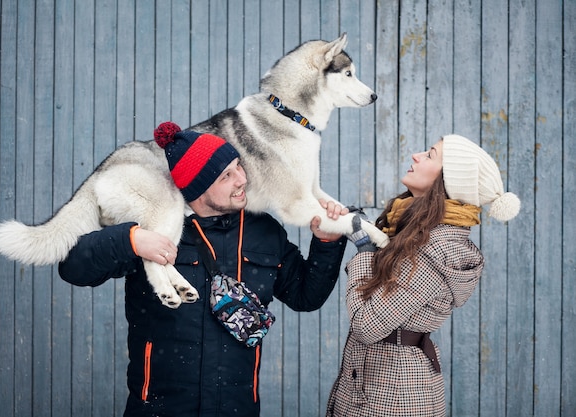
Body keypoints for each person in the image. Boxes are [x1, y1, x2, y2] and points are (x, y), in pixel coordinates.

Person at [58, 122, 348, 417]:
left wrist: (327, 242)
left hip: (235, 409)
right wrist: (130, 239)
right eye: (227, 176)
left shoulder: (264, 231)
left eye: (239, 167)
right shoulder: (154, 228)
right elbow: (73, 268)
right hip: (160, 409)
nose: (242, 179)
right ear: (198, 188)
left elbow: (305, 296)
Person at [326, 134, 520, 417]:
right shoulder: (414, 232)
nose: (416, 156)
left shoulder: (438, 249)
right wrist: (366, 229)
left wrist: (364, 252)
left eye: (430, 155)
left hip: (394, 393)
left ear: (448, 181)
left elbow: (367, 326)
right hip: (380, 380)